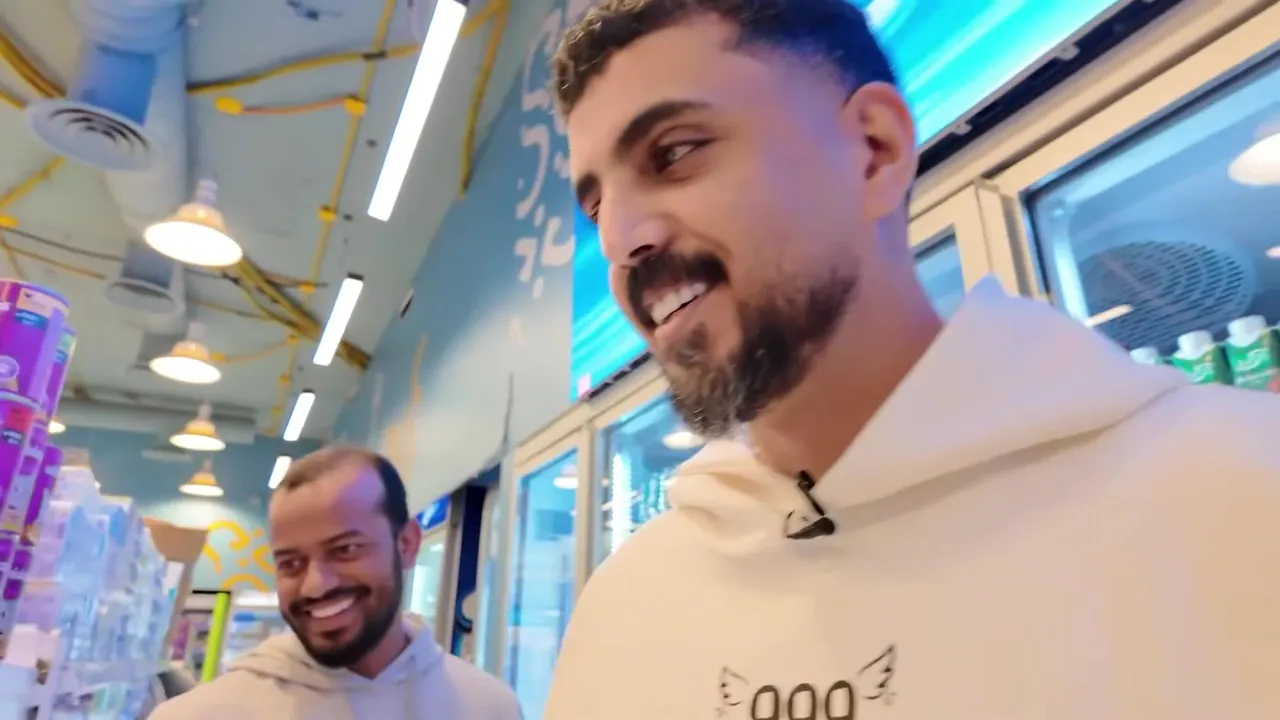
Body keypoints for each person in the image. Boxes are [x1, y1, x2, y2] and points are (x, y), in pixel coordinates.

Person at [543, 1, 1280, 718]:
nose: (620, 241)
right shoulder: (624, 612)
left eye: (674, 153)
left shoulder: (1241, 497)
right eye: (597, 206)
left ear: (874, 150)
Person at [151, 446, 522, 719]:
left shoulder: (488, 708)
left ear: (407, 544)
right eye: (291, 563)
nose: (315, 586)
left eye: (345, 549)